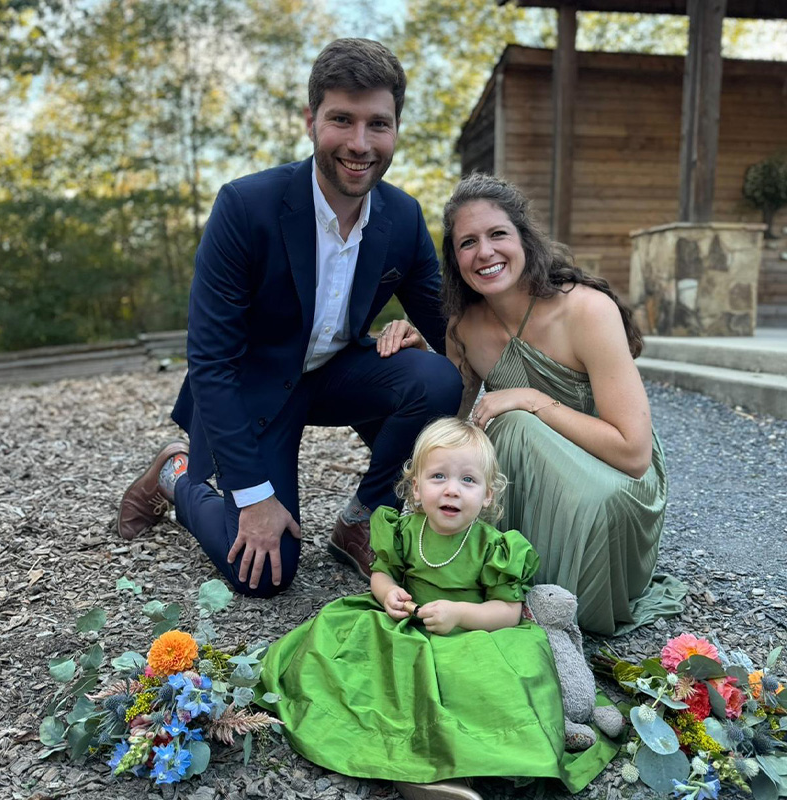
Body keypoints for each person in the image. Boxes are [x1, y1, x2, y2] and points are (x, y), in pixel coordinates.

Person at [116, 38, 462, 597]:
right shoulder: (244, 207)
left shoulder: (402, 216)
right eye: (341, 120)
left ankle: (364, 517)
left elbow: (452, 329)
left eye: (378, 124)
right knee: (263, 573)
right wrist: (254, 498)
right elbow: (210, 360)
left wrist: (528, 391)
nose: (359, 143)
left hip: (334, 374)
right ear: (310, 121)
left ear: (396, 127)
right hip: (254, 385)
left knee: (436, 377)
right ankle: (175, 476)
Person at [258, 418, 618, 800]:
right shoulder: (404, 530)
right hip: (408, 627)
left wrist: (460, 614)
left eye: (468, 481)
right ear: (415, 487)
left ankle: (464, 770)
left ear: (488, 495)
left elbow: (509, 611)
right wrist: (389, 594)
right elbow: (381, 574)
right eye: (438, 477)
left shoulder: (493, 546)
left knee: (481, 686)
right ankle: (406, 762)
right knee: (373, 674)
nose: (452, 490)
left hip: (472, 635)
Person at [437, 172, 686, 636]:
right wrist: (414, 356)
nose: (484, 252)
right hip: (541, 482)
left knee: (513, 421)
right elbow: (451, 430)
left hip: (615, 491)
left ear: (524, 239)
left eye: (497, 234)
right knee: (503, 428)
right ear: (455, 259)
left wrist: (534, 399)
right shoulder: (465, 328)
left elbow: (634, 456)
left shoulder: (585, 310)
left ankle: (549, 601)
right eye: (467, 242)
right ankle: (506, 584)